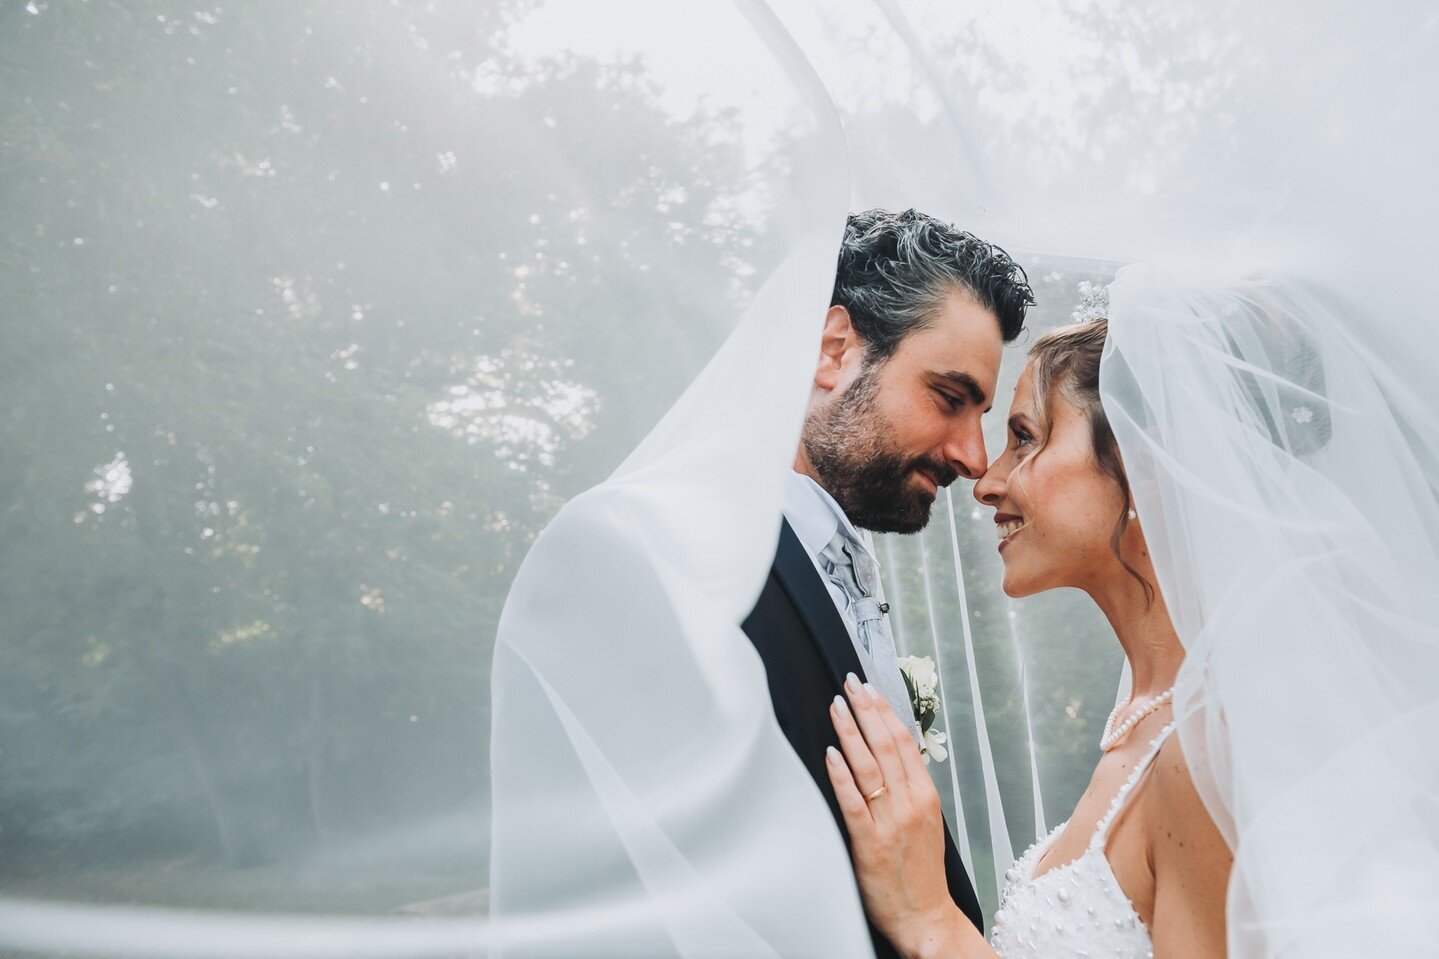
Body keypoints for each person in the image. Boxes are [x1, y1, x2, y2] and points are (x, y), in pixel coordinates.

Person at [823, 304, 1235, 958]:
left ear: (1140, 464)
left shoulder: (1207, 746)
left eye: (1024, 437)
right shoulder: (1141, 719)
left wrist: (933, 921)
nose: (986, 482)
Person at [741, 207, 1034, 959]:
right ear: (833, 348)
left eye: (986, 417)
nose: (974, 457)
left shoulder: (834, 567)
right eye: (948, 397)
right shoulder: (707, 577)